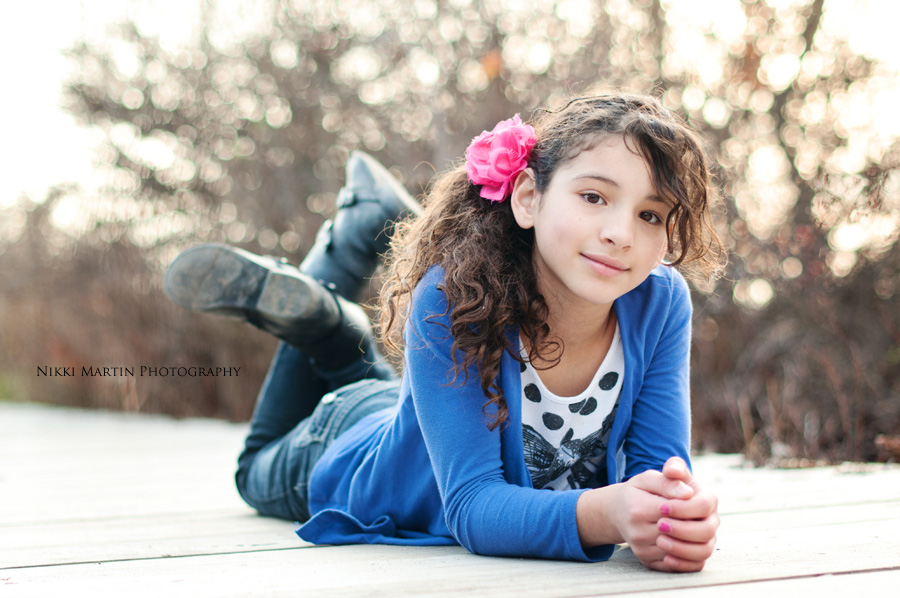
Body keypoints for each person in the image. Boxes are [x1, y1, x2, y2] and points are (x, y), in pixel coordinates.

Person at [164, 92, 724, 572]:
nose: (621, 232)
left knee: (396, 399)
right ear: (528, 198)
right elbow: (474, 506)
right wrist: (609, 514)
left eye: (652, 215)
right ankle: (324, 313)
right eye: (594, 197)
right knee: (251, 469)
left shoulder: (660, 301)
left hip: (414, 412)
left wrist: (670, 517)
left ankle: (340, 295)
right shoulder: (455, 298)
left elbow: (658, 474)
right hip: (343, 448)